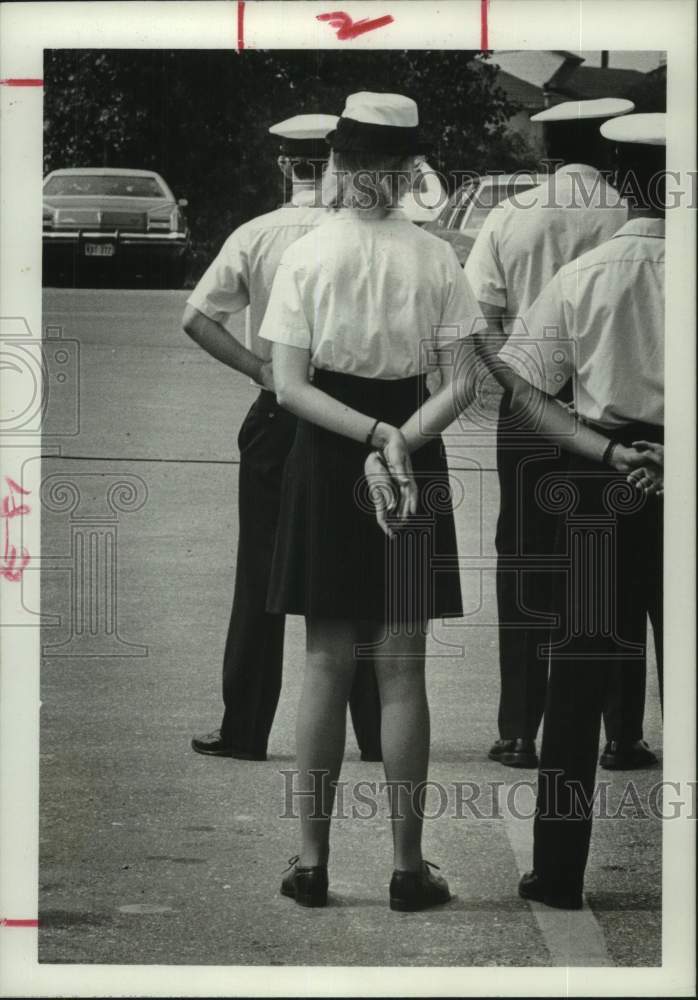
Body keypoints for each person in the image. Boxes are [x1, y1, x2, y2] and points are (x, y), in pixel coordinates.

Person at [261, 93, 479, 910]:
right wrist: (398, 438)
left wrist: (365, 435)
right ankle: (406, 868)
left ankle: (311, 863)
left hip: (327, 450)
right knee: (401, 668)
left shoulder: (308, 255)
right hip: (413, 445)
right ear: (408, 170)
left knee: (323, 662)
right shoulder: (435, 257)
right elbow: (462, 380)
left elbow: (287, 386)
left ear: (341, 164)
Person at [463, 97, 657, 772]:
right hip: (608, 413)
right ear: (608, 152)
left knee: (525, 560)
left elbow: (482, 321)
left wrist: (512, 379)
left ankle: (520, 727)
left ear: (545, 151)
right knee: (621, 576)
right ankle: (623, 731)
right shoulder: (627, 212)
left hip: (532, 403)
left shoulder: (510, 214)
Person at [504, 112, 666, 908]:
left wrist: (600, 449)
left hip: (605, 484)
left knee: (575, 686)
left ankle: (559, 870)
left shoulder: (588, 275)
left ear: (621, 182)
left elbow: (522, 385)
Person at [183, 114, 382, 763]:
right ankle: (378, 731)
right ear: (333, 164)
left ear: (281, 167)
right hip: (348, 412)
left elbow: (197, 317)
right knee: (357, 570)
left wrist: (259, 368)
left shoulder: (256, 234)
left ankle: (245, 727)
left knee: (262, 574)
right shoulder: (360, 238)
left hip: (277, 414)